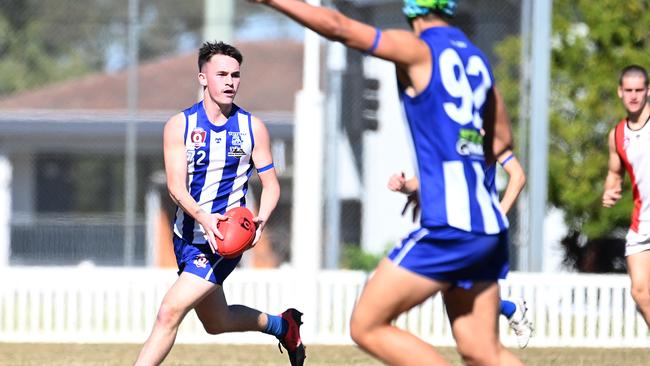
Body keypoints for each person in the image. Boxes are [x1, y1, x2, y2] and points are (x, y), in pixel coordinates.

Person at [252, 0, 523, 364]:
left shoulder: (419, 49)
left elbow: (339, 27)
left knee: (367, 324)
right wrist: (439, 180)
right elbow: (501, 140)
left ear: (413, 9)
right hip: (488, 227)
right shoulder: (476, 59)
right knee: (481, 350)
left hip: (451, 228)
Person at [134, 41, 305, 366]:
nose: (230, 82)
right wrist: (203, 217)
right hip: (187, 237)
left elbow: (270, 186)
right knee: (217, 322)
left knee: (169, 311)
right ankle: (284, 326)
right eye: (222, 74)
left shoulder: (252, 128)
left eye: (236, 75)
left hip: (224, 242)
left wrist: (261, 220)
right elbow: (175, 187)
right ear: (202, 78)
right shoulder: (180, 126)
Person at [387, 145, 534, 349]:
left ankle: (510, 310)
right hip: (450, 232)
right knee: (467, 313)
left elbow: (517, 176)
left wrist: (497, 216)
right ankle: (510, 309)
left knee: (474, 325)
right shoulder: (445, 136)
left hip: (480, 234)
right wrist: (403, 186)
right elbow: (424, 181)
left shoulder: (486, 134)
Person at [602, 64, 650, 326]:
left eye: (639, 90)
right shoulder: (617, 135)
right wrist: (611, 188)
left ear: (648, 91)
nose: (634, 95)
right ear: (620, 92)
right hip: (642, 221)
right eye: (628, 90)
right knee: (639, 292)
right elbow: (615, 172)